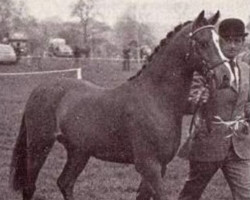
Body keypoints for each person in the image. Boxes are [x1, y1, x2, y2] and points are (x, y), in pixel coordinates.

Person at [178, 18, 250, 200]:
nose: (233, 46)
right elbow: (190, 103)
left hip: (238, 146)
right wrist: (198, 97)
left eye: (238, 41)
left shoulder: (246, 69)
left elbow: (246, 102)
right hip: (208, 143)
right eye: (228, 40)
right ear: (219, 41)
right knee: (191, 194)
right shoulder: (206, 67)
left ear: (243, 43)